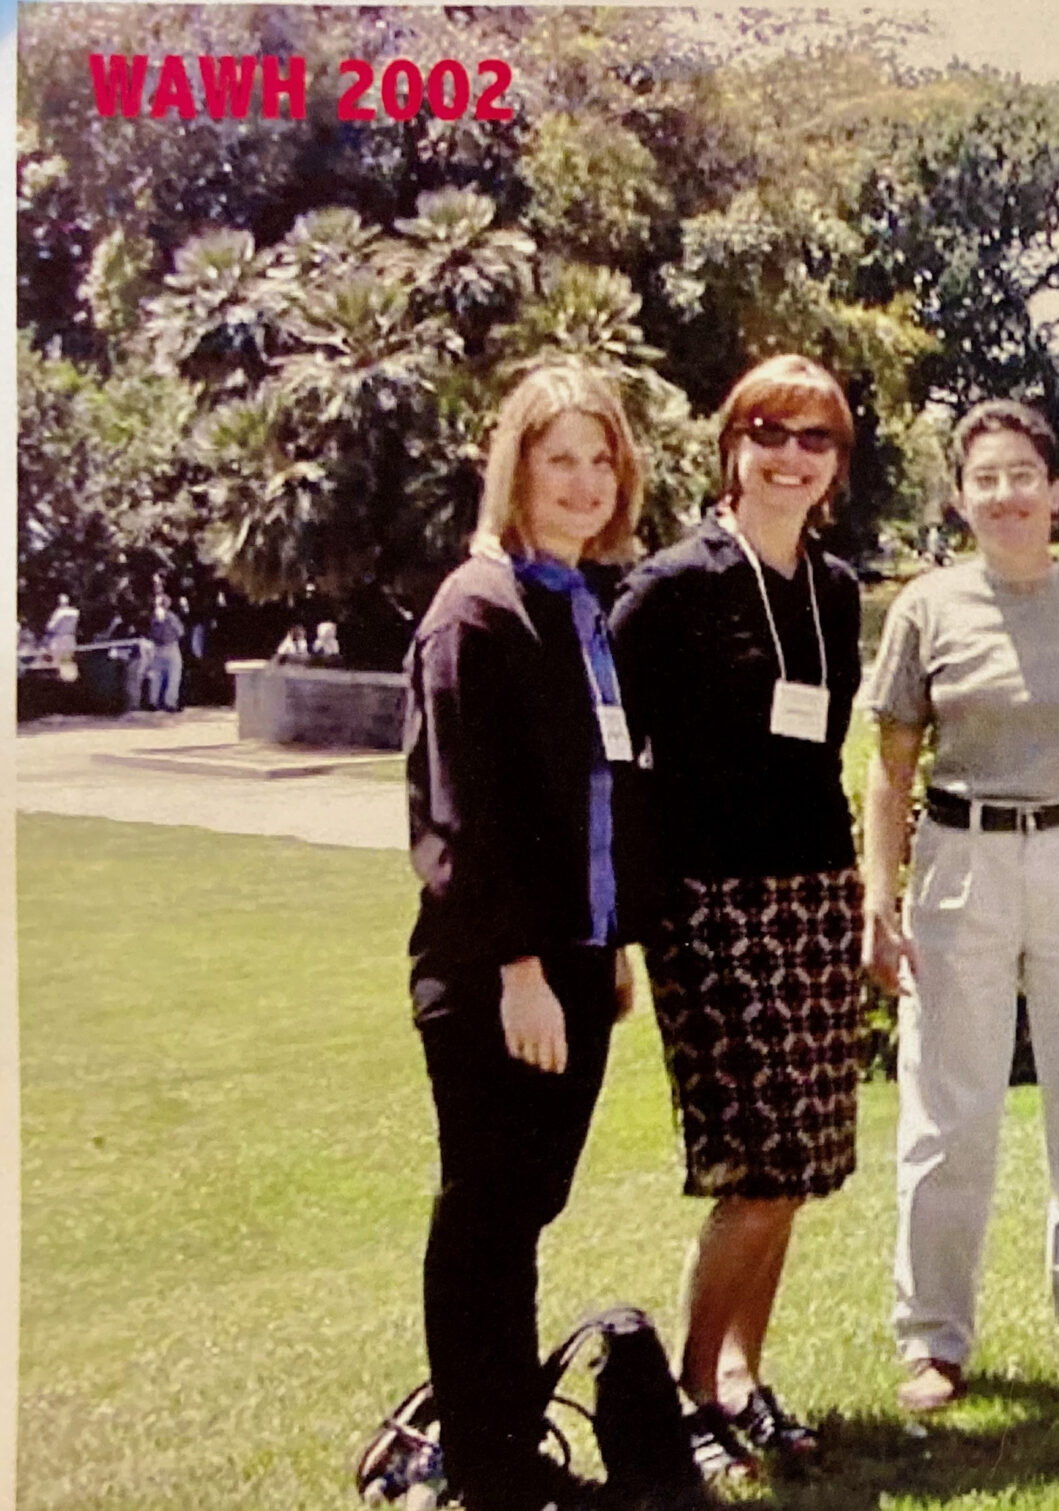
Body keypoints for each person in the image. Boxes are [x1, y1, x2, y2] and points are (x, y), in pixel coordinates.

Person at [857, 398, 1059, 1413]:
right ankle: (934, 1338)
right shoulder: (927, 608)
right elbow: (890, 766)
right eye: (984, 478)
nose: (1004, 494)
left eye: (1021, 475)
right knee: (948, 1113)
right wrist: (880, 894)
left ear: (1054, 491)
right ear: (960, 496)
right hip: (960, 862)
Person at [609, 356, 866, 1475]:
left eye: (814, 438)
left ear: (836, 465)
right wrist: (620, 921)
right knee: (754, 1166)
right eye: (769, 430)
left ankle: (739, 1378)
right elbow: (612, 764)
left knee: (798, 1164)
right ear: (732, 445)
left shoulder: (837, 588)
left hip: (813, 891)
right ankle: (686, 1401)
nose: (790, 454)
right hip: (708, 904)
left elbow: (819, 750)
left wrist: (854, 901)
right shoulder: (670, 588)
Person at [404, 365, 649, 1511]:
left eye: (601, 460)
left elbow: (598, 795)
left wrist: (611, 949)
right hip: (502, 974)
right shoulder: (478, 608)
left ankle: (502, 1446)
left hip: (578, 960)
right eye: (560, 459)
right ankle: (487, 1469)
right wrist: (520, 971)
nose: (584, 482)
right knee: (488, 1214)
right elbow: (463, 812)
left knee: (523, 1212)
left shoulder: (579, 603)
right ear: (517, 469)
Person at [145, 594, 186, 711]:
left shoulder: (153, 617)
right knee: (174, 675)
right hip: (171, 646)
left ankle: (153, 701)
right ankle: (170, 702)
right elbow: (180, 631)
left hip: (157, 647)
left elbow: (150, 632)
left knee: (156, 675)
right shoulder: (171, 616)